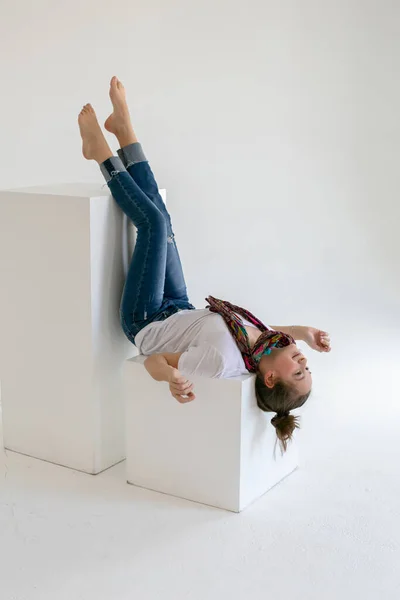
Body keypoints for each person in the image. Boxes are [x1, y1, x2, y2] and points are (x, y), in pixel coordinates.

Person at [78, 77, 331, 451]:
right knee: (164, 218)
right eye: (307, 367)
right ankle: (124, 129)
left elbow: (152, 360)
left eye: (299, 372)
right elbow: (255, 326)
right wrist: (304, 330)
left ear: (273, 378)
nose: (304, 363)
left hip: (145, 319)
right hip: (179, 305)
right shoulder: (258, 347)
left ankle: (101, 155)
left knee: (154, 225)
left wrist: (169, 378)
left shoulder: (221, 362)